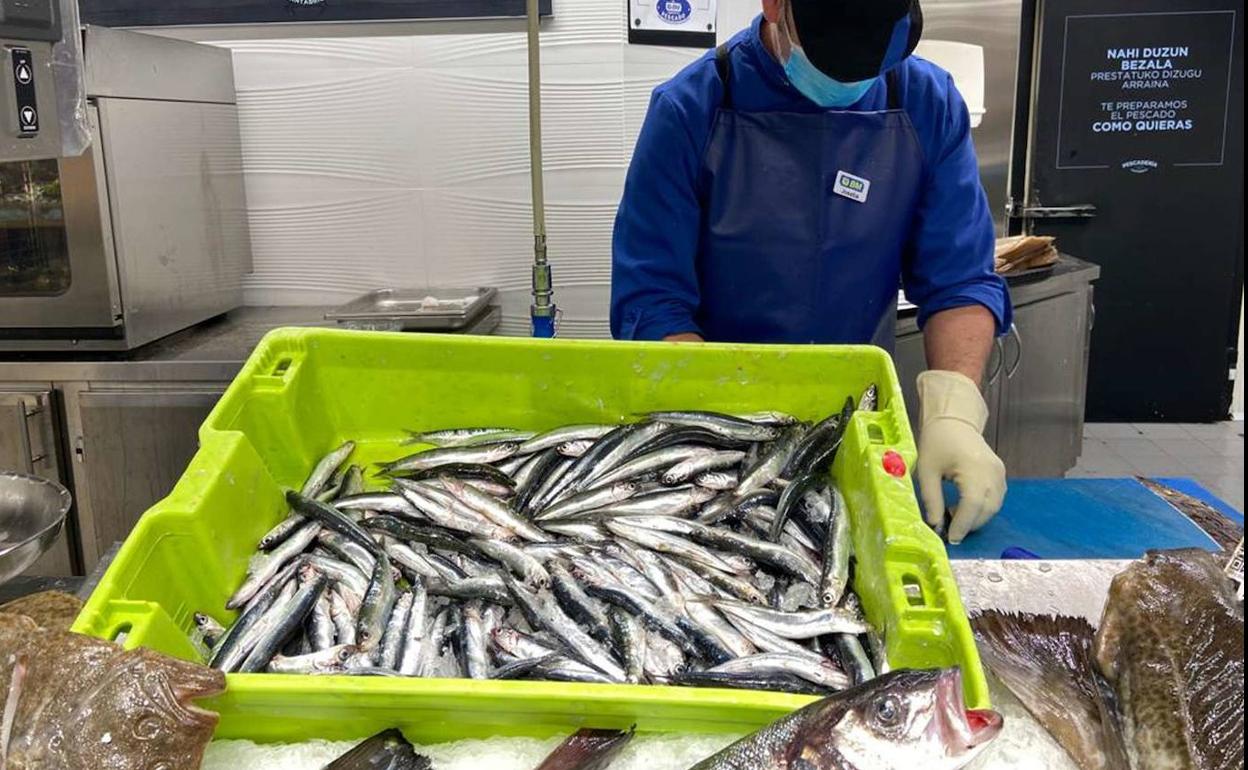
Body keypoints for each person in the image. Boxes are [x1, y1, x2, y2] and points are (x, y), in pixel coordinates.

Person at [610, 0, 1009, 543]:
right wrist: (713, 434)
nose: (851, 81)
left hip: (853, 419)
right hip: (713, 426)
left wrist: (954, 411)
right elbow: (651, 298)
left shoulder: (926, 103)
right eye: (831, 59)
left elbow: (958, 281)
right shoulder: (691, 108)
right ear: (775, 6)